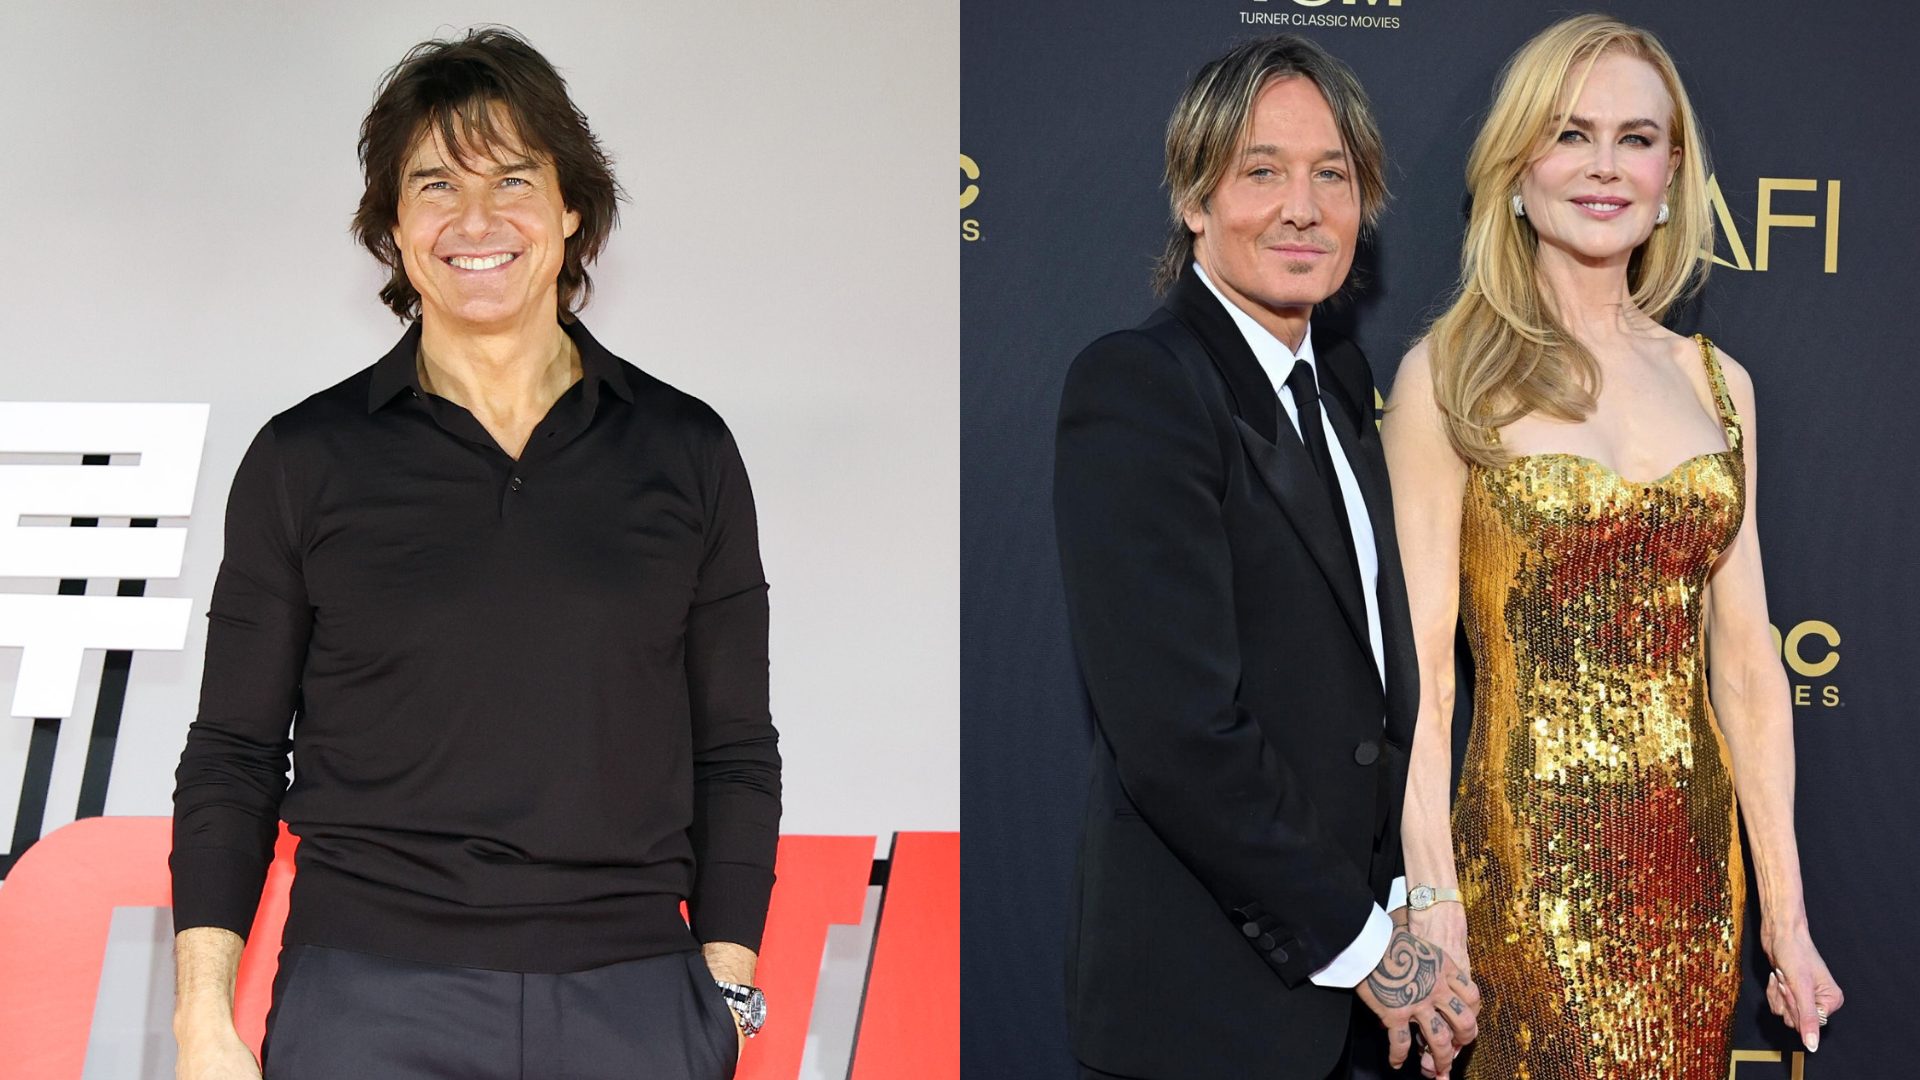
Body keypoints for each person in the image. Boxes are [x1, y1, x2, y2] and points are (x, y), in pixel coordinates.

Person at [169, 28, 776, 1080]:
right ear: (393, 226)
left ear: (572, 209)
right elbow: (232, 753)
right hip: (367, 1001)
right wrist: (200, 1021)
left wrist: (720, 998)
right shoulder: (303, 458)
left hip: (634, 1000)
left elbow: (734, 750)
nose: (477, 220)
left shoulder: (687, 449)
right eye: (437, 184)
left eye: (513, 180)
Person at [1382, 14, 1844, 1079]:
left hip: (1693, 873)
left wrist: (1786, 917)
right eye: (1570, 134)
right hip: (1526, 868)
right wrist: (1433, 897)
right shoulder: (1447, 377)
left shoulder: (1719, 386)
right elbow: (1419, 678)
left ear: (1671, 173)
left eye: (1635, 138)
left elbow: (1746, 665)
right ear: (1516, 168)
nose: (1604, 166)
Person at [1053, 34, 1481, 1080]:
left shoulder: (1343, 384)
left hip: (1335, 1012)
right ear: (1193, 200)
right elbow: (1178, 735)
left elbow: (1360, 691)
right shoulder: (1141, 386)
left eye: (1331, 174)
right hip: (1200, 1017)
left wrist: (1398, 909)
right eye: (1261, 171)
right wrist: (1373, 951)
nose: (1303, 208)